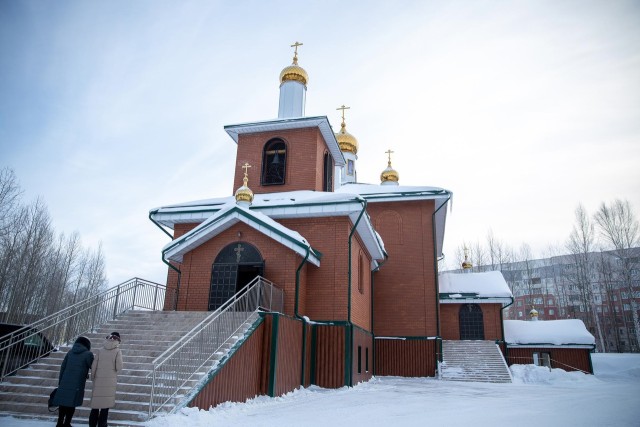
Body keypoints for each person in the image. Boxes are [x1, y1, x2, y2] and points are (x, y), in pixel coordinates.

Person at [53, 336, 94, 427]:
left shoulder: (70, 352)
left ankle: (59, 422)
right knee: (72, 404)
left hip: (65, 382)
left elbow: (63, 367)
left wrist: (60, 381)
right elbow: (93, 366)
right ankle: (67, 423)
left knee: (63, 403)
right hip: (77, 384)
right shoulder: (88, 354)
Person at [89, 332, 123, 427]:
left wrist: (93, 377)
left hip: (98, 381)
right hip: (109, 383)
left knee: (95, 407)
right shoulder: (117, 351)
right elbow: (119, 367)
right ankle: (102, 425)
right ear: (118, 340)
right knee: (105, 408)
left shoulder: (100, 350)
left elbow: (94, 365)